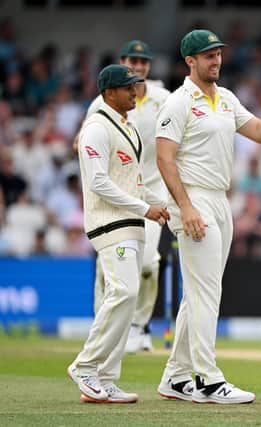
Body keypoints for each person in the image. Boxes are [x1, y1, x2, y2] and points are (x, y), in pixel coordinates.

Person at [155, 29, 261, 404]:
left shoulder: (226, 98)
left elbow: (260, 134)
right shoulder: (179, 102)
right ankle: (208, 380)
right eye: (207, 56)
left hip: (219, 199)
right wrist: (185, 207)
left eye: (218, 54)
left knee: (196, 294)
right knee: (206, 293)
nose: (216, 61)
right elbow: (164, 159)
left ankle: (176, 378)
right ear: (190, 61)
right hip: (194, 199)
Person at [67, 64, 170, 403]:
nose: (134, 92)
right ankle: (85, 366)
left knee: (127, 299)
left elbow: (137, 184)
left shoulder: (128, 127)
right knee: (123, 293)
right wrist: (144, 209)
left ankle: (107, 378)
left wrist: (166, 204)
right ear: (109, 92)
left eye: (136, 86)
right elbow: (97, 182)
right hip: (109, 223)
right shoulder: (96, 126)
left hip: (132, 223)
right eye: (128, 87)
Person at [86, 40, 171, 353]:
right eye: (132, 60)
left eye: (143, 61)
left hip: (151, 192)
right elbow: (86, 144)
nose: (138, 65)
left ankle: (138, 325)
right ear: (122, 62)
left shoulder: (163, 99)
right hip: (112, 196)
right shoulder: (102, 104)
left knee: (148, 263)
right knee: (106, 270)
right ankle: (102, 329)